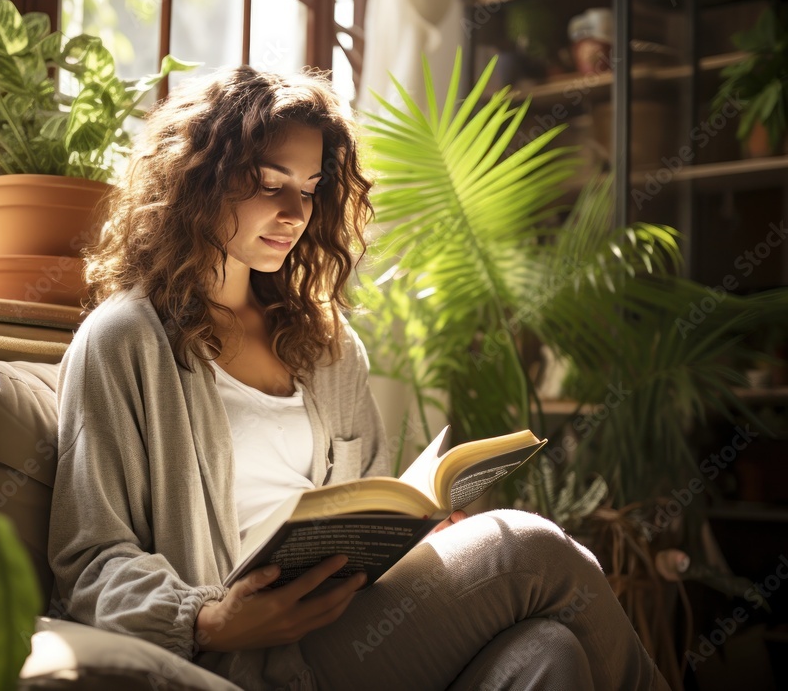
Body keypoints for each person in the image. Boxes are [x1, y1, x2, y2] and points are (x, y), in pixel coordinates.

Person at [48, 65, 670, 691]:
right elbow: (89, 559)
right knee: (528, 546)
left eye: (312, 189)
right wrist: (209, 618)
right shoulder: (124, 339)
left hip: (356, 622)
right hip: (250, 653)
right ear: (198, 180)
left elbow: (366, 509)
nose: (295, 212)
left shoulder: (326, 347)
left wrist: (417, 534)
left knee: (548, 653)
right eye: (270, 183)